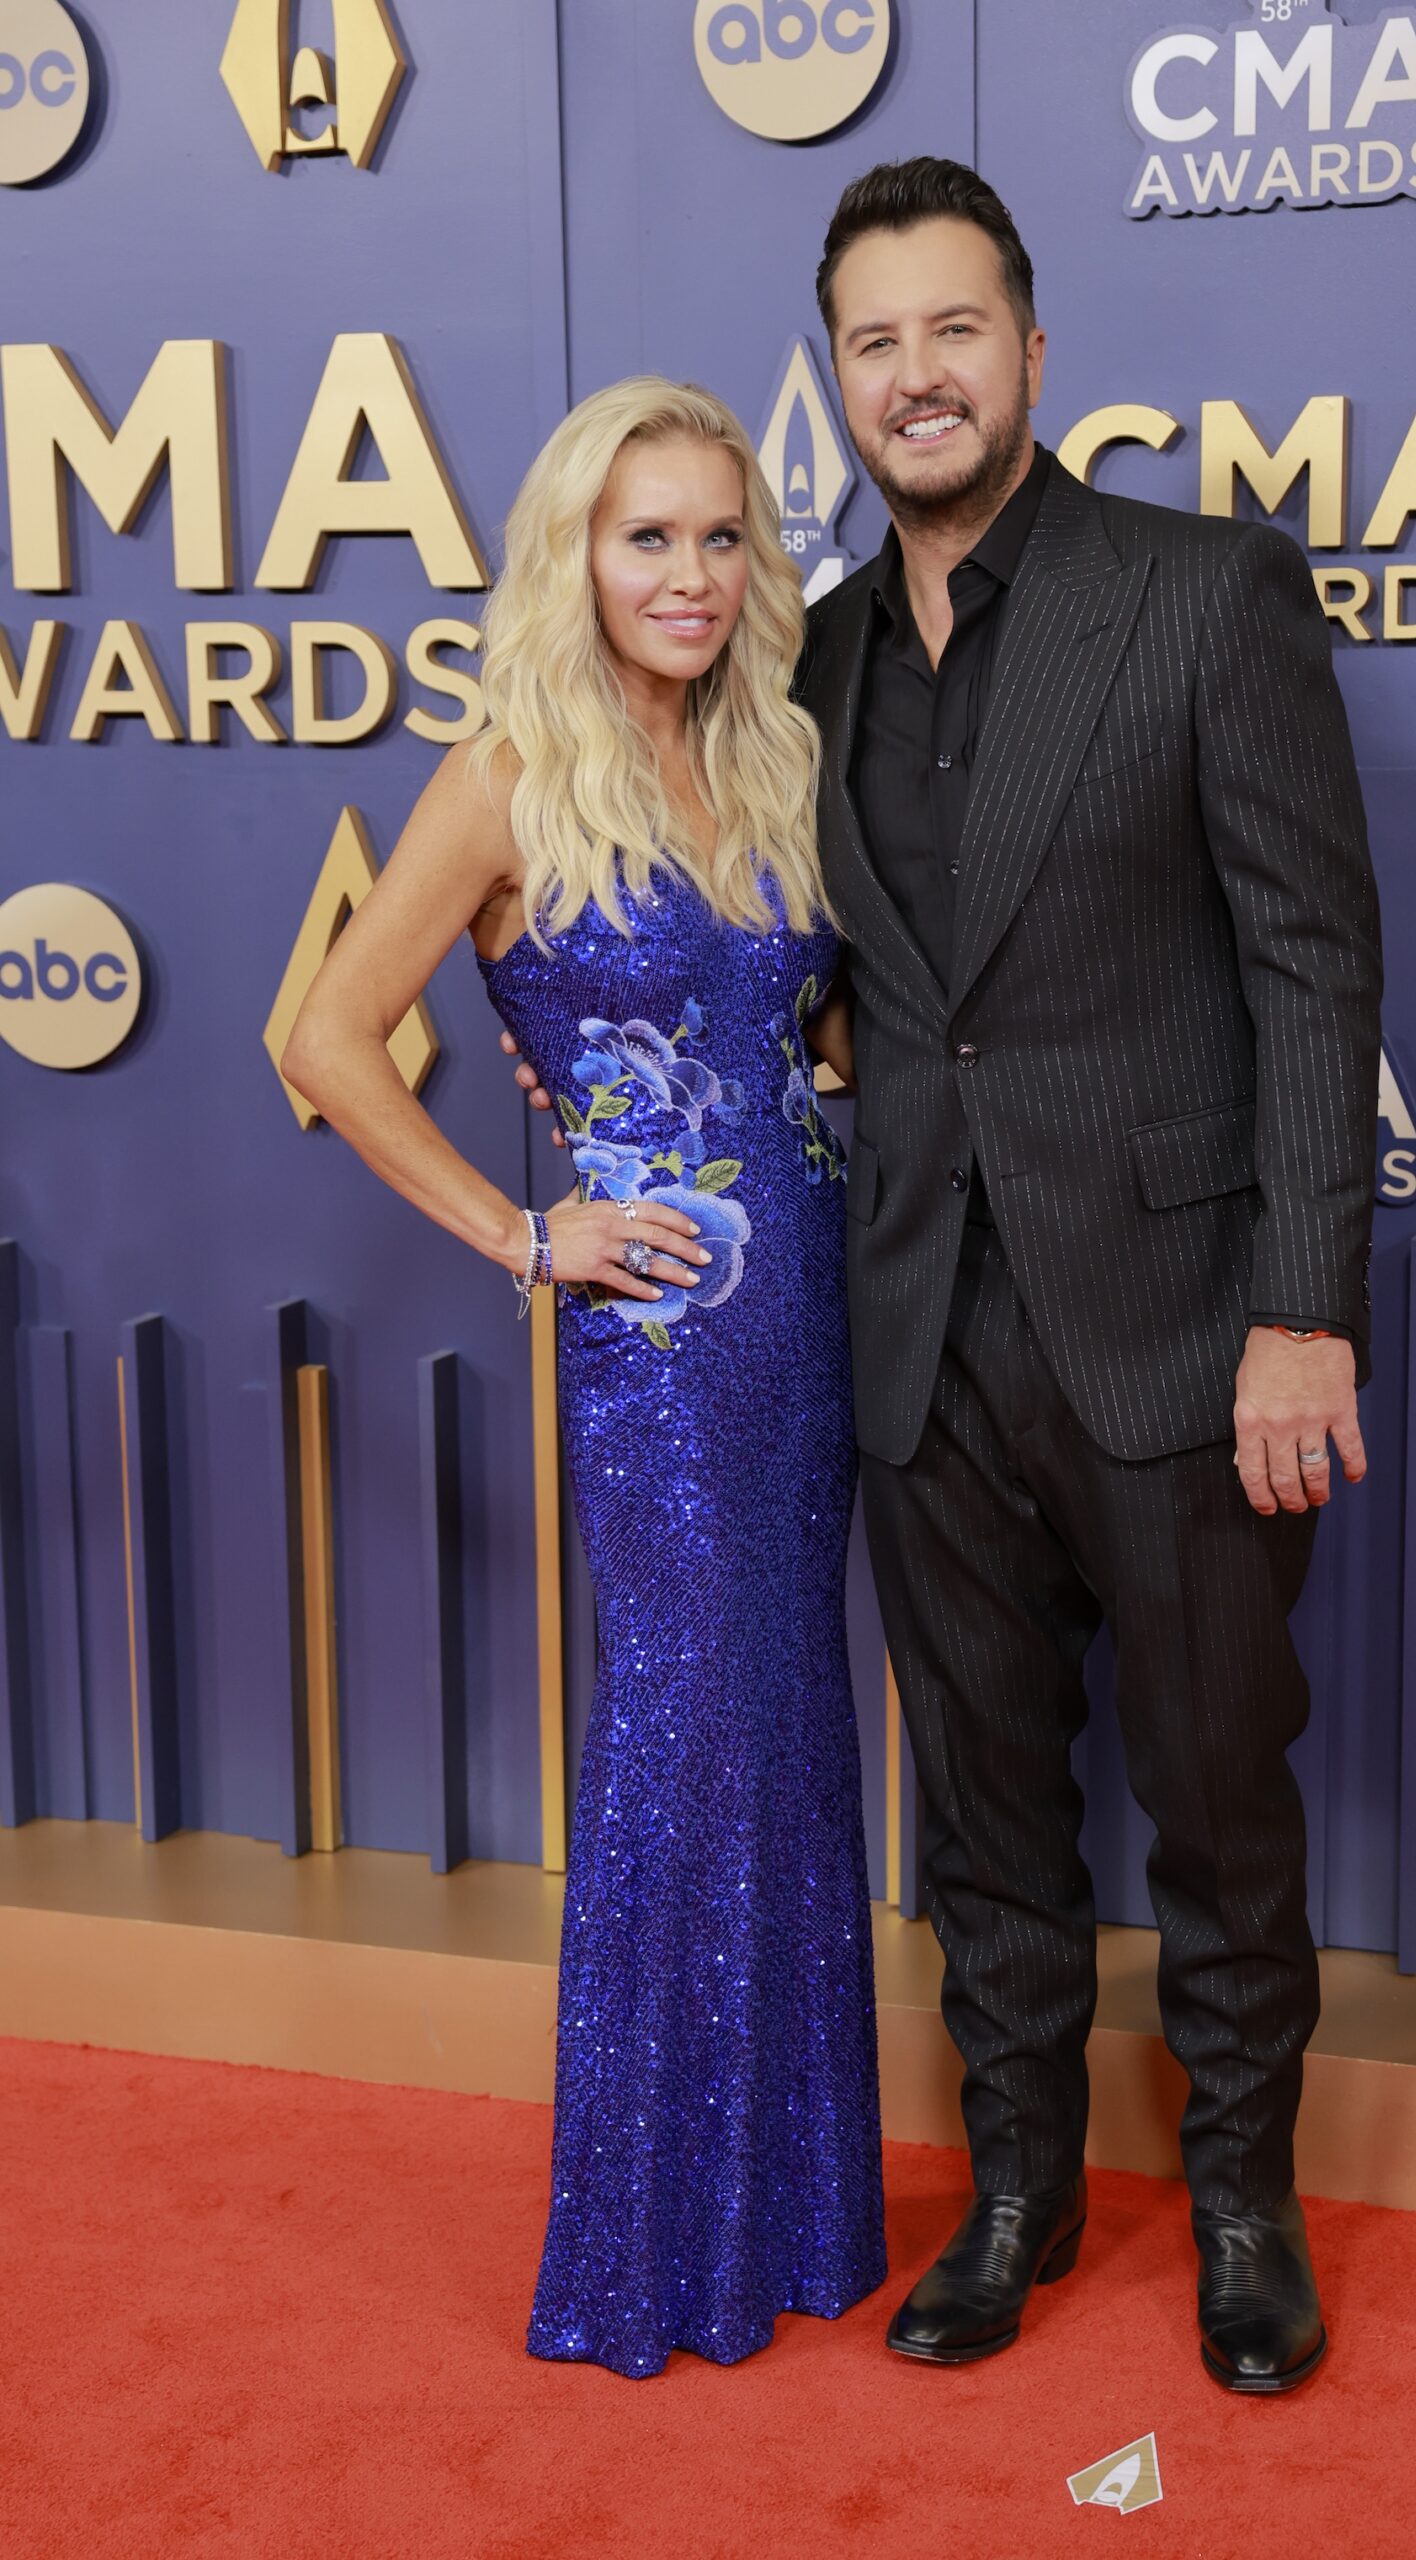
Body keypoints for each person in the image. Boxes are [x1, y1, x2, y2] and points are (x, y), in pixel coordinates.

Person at [512, 163, 1383, 2392]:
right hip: (901, 1328)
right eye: (874, 341)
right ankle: (1010, 2192)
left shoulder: (1199, 590)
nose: (917, 372)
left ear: (1025, 343)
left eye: (953, 328)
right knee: (988, 1812)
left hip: (1178, 1328)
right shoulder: (791, 663)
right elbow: (819, 979)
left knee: (1213, 1793)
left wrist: (1302, 1303)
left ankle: (1239, 2205)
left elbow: (1309, 964)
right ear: (837, 380)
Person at [282, 376, 885, 2380]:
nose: (690, 574)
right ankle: (650, 2249)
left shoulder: (775, 754)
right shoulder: (509, 771)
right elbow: (324, 1031)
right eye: (647, 536)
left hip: (811, 1304)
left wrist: (817, 1082)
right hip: (661, 1345)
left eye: (721, 534)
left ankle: (794, 2215)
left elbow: (811, 1031)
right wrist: (526, 1230)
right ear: (573, 553)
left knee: (791, 1745)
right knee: (674, 1757)